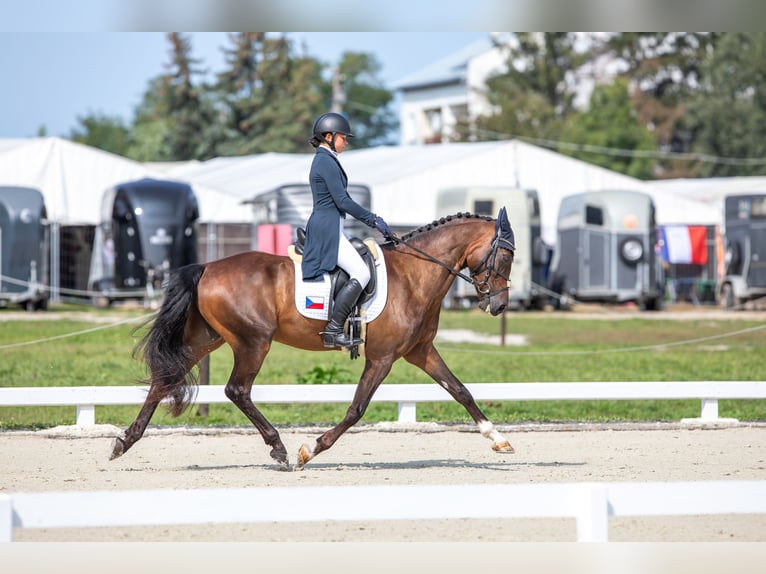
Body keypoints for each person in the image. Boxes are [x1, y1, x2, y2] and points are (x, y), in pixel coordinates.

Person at [301, 112, 395, 348]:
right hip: (327, 228)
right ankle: (333, 329)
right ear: (329, 136)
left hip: (332, 225)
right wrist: (373, 220)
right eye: (344, 137)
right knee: (362, 274)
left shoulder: (327, 159)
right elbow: (343, 201)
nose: (347, 141)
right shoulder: (324, 161)